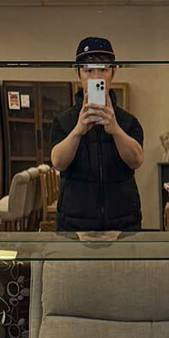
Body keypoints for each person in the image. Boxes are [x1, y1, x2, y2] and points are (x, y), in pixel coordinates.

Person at [48, 37, 145, 232]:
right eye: (88, 70)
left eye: (103, 69)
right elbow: (57, 162)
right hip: (74, 226)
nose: (96, 77)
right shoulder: (64, 122)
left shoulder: (128, 122)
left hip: (123, 225)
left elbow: (136, 160)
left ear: (113, 72)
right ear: (78, 73)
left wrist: (115, 129)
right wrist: (78, 130)